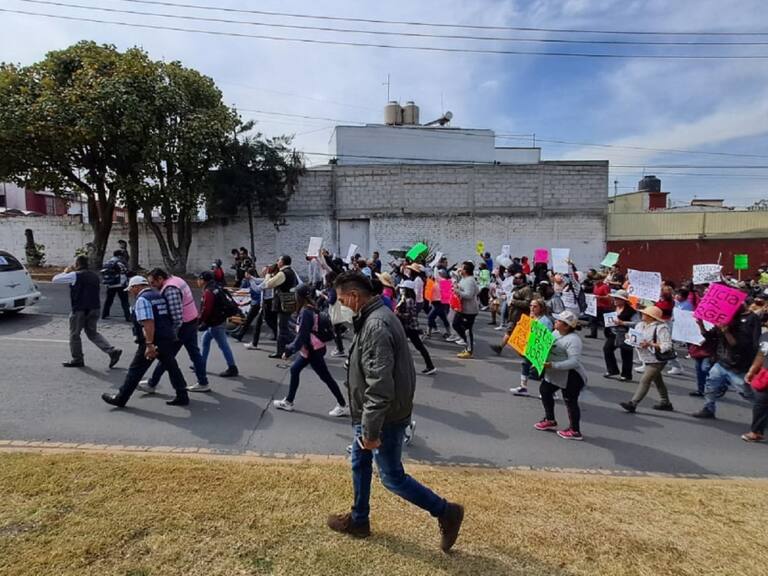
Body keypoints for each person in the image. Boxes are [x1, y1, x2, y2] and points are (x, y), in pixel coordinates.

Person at [326, 272, 464, 551]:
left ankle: (445, 511)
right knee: (359, 462)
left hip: (382, 415)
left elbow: (380, 384)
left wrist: (371, 430)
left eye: (341, 300)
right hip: (372, 412)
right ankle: (359, 519)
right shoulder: (373, 315)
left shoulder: (376, 324)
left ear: (353, 296)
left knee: (391, 476)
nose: (340, 305)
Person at [101, 276, 189, 407]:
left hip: (153, 340)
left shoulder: (143, 299)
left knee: (135, 370)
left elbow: (148, 323)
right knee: (172, 367)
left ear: (137, 287)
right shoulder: (157, 295)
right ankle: (182, 395)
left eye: (131, 289)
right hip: (166, 336)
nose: (130, 292)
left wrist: (149, 345)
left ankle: (121, 398)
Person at [272, 285, 349, 416]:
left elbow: (302, 335)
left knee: (325, 377)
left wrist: (289, 350)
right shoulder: (312, 308)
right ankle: (289, 401)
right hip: (314, 347)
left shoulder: (305, 312)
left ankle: (342, 404)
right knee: (295, 370)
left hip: (312, 349)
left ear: (299, 296)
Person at [139, 268, 210, 393]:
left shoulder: (170, 289)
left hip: (183, 325)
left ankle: (152, 383)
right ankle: (203, 382)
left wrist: (173, 334)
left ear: (160, 278)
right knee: (194, 353)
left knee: (167, 355)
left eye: (153, 283)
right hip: (192, 319)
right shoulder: (176, 279)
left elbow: (177, 316)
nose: (152, 286)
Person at [692, 299, 761, 419]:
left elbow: (740, 346)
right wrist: (701, 325)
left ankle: (763, 413)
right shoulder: (726, 319)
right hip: (722, 362)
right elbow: (710, 336)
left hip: (738, 365)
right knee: (711, 385)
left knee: (746, 393)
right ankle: (708, 408)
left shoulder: (750, 320)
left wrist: (726, 332)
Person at [52, 256, 122, 369]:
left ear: (77, 264)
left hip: (80, 309)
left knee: (75, 334)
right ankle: (111, 351)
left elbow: (55, 279)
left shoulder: (75, 275)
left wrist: (65, 271)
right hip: (94, 308)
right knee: (92, 333)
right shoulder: (94, 276)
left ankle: (77, 359)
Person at [533, 310, 588, 440]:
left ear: (566, 326)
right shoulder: (556, 333)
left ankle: (575, 430)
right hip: (555, 373)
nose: (555, 322)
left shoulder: (574, 340)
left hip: (572, 377)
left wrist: (552, 365)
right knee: (545, 391)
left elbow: (574, 362)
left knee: (570, 402)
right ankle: (550, 419)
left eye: (558, 321)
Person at [619, 306, 674, 414]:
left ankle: (633, 403)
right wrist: (629, 337)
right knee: (658, 381)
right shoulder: (640, 325)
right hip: (646, 357)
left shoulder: (661, 327)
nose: (642, 315)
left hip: (657, 359)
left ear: (651, 317)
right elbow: (635, 337)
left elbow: (667, 345)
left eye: (645, 314)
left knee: (645, 380)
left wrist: (650, 344)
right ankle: (665, 402)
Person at [197, 271, 239, 377]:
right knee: (205, 341)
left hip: (215, 323)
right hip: (218, 320)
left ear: (203, 280)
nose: (198, 281)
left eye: (199, 279)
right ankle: (201, 364)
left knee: (223, 345)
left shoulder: (209, 291)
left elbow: (206, 310)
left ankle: (232, 367)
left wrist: (200, 321)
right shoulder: (216, 287)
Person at [510, 298, 553, 396]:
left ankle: (550, 392)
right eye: (531, 306)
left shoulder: (545, 321)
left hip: (539, 349)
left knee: (541, 371)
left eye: (535, 306)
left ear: (541, 308)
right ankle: (523, 387)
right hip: (530, 347)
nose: (532, 308)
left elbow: (545, 338)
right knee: (525, 365)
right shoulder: (531, 318)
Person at [396, 280, 436, 375]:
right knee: (417, 347)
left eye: (403, 288)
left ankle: (429, 365)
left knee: (417, 347)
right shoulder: (406, 298)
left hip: (410, 327)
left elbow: (408, 315)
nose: (401, 290)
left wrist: (398, 314)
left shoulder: (409, 300)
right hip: (409, 327)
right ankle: (429, 365)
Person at [263, 255, 299, 359]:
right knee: (284, 327)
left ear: (282, 262)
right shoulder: (291, 272)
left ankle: (294, 345)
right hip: (289, 301)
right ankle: (287, 348)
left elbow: (268, 284)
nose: (277, 262)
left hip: (282, 303)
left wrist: (268, 274)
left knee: (282, 329)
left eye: (278, 260)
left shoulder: (282, 273)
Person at [603, 290, 637, 382]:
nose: (615, 300)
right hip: (613, 333)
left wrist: (623, 323)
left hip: (625, 334)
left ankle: (626, 375)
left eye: (617, 299)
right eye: (615, 298)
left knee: (626, 354)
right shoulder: (613, 308)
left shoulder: (631, 311)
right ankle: (612, 370)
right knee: (607, 349)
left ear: (623, 300)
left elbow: (636, 323)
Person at [450, 261, 479, 359]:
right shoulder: (465, 279)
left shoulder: (470, 280)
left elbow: (469, 295)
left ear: (465, 270)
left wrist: (457, 291)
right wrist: (457, 286)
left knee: (467, 329)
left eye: (461, 268)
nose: (459, 269)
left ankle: (469, 349)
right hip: (462, 308)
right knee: (455, 324)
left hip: (469, 310)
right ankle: (468, 342)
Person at [742, 335, 768, 442]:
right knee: (761, 403)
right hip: (766, 377)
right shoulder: (766, 336)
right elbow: (761, 354)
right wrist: (752, 371)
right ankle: (756, 432)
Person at [231, 268, 263, 342]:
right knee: (248, 320)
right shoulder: (249, 281)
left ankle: (241, 336)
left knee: (265, 321)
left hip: (258, 304)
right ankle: (240, 335)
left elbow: (256, 292)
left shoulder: (256, 282)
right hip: (255, 303)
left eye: (246, 273)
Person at [100, 250, 131, 321]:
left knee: (108, 300)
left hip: (110, 284)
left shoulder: (108, 262)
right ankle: (128, 316)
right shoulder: (120, 262)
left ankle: (104, 314)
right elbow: (126, 271)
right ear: (120, 255)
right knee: (124, 301)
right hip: (120, 284)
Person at [426, 268, 451, 339]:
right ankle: (449, 332)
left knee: (430, 317)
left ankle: (428, 333)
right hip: (437, 303)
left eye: (438, 273)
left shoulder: (444, 282)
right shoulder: (437, 282)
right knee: (443, 318)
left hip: (439, 303)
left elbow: (446, 296)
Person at [587, 273, 611, 339]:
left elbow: (609, 297)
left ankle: (609, 335)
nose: (594, 282)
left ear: (600, 280)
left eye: (596, 280)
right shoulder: (595, 286)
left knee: (605, 322)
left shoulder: (605, 286)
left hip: (603, 307)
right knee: (593, 320)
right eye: (594, 280)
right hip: (595, 306)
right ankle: (593, 334)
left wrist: (600, 297)